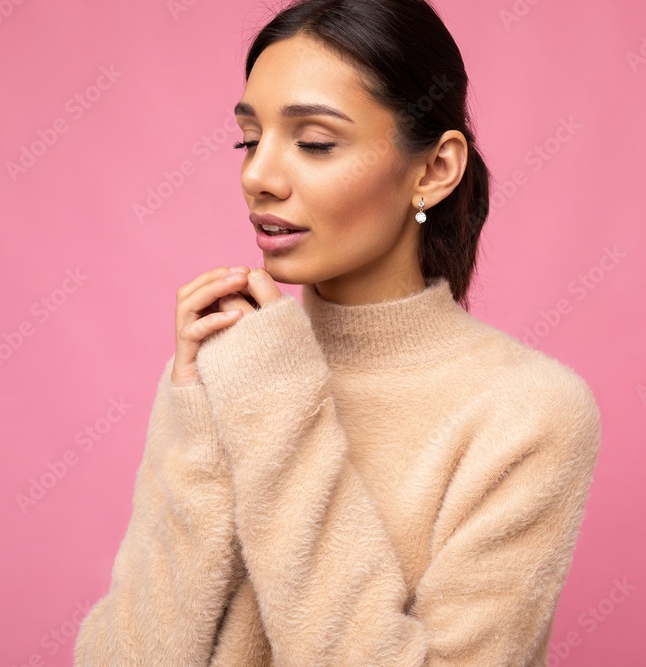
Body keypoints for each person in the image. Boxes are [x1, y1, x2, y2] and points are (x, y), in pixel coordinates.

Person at [74, 0, 602, 664]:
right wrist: (198, 422)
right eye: (249, 138)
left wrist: (277, 405)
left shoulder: (528, 413)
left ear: (435, 169)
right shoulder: (235, 363)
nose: (258, 176)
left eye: (315, 142)